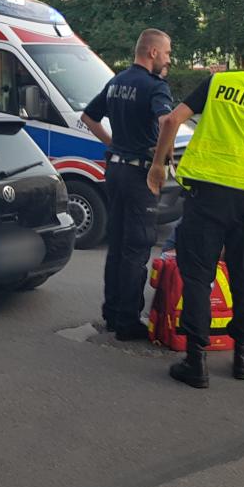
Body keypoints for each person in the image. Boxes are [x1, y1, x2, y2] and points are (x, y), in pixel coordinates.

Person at [147, 43, 244, 389]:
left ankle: (196, 361)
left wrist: (158, 164)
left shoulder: (216, 84)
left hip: (205, 196)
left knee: (197, 276)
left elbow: (171, 119)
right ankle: (243, 356)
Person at [80, 29, 176, 341]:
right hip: (139, 175)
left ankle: (112, 311)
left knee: (118, 244)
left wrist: (114, 145)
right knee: (137, 246)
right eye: (167, 53)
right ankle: (127, 321)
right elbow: (167, 121)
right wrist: (160, 161)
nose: (168, 59)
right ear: (152, 53)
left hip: (116, 170)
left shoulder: (117, 81)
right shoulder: (154, 86)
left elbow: (88, 117)